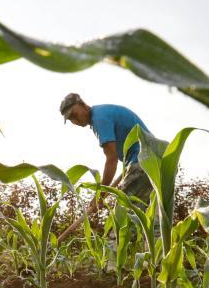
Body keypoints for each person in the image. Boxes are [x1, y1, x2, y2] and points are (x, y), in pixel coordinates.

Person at [57, 93, 154, 240]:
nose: (75, 121)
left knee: (123, 218)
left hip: (142, 161)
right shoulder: (103, 113)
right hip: (154, 162)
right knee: (152, 221)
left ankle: (113, 254)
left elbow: (111, 158)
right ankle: (158, 253)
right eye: (71, 120)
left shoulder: (99, 118)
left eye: (75, 115)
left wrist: (100, 195)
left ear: (83, 105)